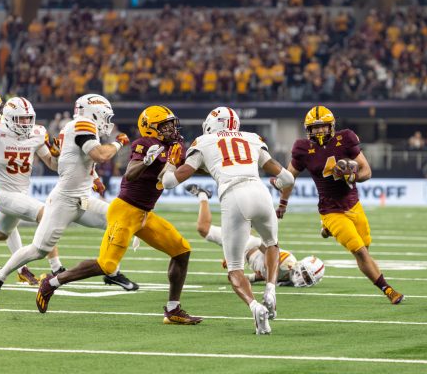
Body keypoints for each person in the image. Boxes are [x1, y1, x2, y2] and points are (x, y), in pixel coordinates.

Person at [35, 105, 202, 325]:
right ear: (150, 128)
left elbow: (180, 170)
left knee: (182, 251)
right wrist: (146, 161)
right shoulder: (145, 144)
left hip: (144, 214)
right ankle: (52, 282)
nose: (171, 128)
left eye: (172, 124)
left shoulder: (173, 146)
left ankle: (173, 310)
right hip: (125, 211)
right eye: (165, 125)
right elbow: (131, 174)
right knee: (106, 265)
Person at [0, 94, 135, 303]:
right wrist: (119, 144)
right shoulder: (83, 125)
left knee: (118, 222)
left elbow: (68, 162)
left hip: (82, 199)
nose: (108, 122)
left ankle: (111, 271)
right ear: (94, 114)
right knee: (38, 250)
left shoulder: (76, 128)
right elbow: (100, 155)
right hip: (63, 201)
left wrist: (95, 178)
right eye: (105, 116)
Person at [161, 106, 295, 335]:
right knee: (272, 244)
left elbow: (170, 182)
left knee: (234, 269)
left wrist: (170, 164)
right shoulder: (252, 138)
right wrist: (280, 186)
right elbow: (287, 177)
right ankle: (271, 289)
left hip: (234, 195)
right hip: (260, 191)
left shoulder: (204, 141)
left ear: (212, 124)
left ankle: (255, 307)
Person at [276, 106, 404, 305]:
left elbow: (367, 171)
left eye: (322, 127)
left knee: (366, 249)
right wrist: (282, 202)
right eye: (314, 128)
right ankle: (387, 289)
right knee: (359, 251)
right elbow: (288, 177)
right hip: (330, 210)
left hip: (353, 204)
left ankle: (327, 230)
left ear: (331, 126)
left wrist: (352, 175)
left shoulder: (345, 139)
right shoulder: (302, 148)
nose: (318, 131)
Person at [0, 97, 60, 284]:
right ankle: (57, 269)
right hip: (2, 194)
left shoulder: (36, 134)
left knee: (0, 233)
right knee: (47, 214)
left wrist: (56, 153)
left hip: (19, 194)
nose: (26, 123)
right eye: (21, 119)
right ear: (10, 118)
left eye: (29, 118)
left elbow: (52, 165)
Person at [185, 183, 325, 287]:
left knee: (204, 229)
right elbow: (262, 245)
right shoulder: (286, 262)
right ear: (301, 265)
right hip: (245, 243)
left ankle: (204, 195)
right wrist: (234, 254)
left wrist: (248, 278)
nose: (302, 278)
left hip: (246, 253)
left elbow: (264, 274)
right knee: (203, 228)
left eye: (307, 278)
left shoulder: (287, 278)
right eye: (305, 273)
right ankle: (203, 195)